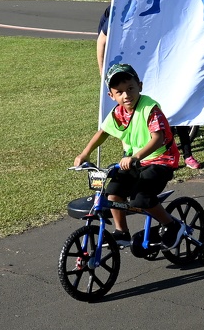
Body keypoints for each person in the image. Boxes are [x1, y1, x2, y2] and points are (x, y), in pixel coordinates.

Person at [70, 63, 189, 249]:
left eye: (131, 88)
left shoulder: (150, 109)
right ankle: (121, 232)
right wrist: (85, 153)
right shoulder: (118, 113)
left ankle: (172, 225)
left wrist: (136, 157)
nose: (127, 95)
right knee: (113, 193)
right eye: (120, 92)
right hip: (135, 163)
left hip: (160, 161)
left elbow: (158, 138)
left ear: (140, 86)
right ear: (112, 95)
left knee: (141, 199)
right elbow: (103, 132)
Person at [95, 5, 201, 169]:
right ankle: (129, 154)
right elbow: (102, 41)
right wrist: (103, 73)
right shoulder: (120, 12)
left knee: (178, 100)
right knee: (127, 117)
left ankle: (187, 154)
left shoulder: (162, 14)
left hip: (156, 62)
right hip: (129, 65)